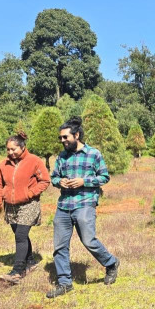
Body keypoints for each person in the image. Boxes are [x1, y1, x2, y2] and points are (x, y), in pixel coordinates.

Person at [46, 117, 120, 298]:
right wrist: (59, 182)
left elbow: (104, 177)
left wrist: (83, 181)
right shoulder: (61, 157)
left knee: (88, 240)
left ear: (76, 135)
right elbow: (53, 177)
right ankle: (65, 283)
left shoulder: (93, 154)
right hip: (64, 205)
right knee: (59, 246)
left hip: (85, 203)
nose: (62, 141)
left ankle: (110, 263)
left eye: (65, 137)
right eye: (61, 138)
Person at [0, 132, 50, 285]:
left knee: (20, 235)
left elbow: (45, 180)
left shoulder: (34, 161)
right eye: (8, 150)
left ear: (22, 147)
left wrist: (30, 193)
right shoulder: (4, 164)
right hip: (10, 205)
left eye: (13, 149)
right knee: (19, 234)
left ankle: (17, 271)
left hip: (28, 204)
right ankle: (30, 261)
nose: (10, 152)